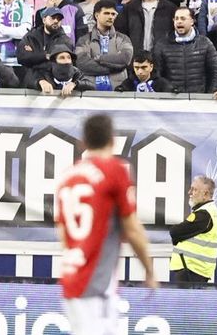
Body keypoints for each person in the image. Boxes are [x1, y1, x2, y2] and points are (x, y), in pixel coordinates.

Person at [54, 113, 159, 331]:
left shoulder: (68, 176)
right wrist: (149, 270)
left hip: (71, 277)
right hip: (96, 283)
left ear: (83, 142)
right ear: (112, 140)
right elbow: (132, 229)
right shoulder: (113, 170)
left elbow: (63, 232)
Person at [167, 175, 217, 285]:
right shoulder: (208, 211)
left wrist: (177, 235)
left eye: (194, 189)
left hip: (191, 270)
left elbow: (175, 232)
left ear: (205, 194)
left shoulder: (203, 214)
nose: (189, 192)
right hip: (194, 270)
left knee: (185, 302)